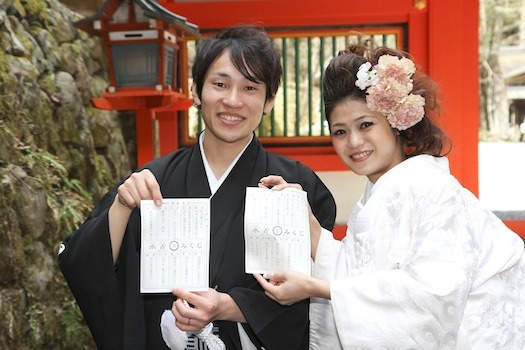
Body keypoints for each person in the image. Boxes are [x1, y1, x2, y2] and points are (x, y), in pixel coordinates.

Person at [58, 25, 336, 350]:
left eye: (249, 88)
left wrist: (230, 307)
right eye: (220, 84)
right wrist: (122, 206)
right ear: (195, 90)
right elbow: (84, 264)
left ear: (269, 100)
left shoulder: (297, 187)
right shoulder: (152, 181)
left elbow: (319, 290)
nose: (232, 101)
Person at [255, 43, 525, 349]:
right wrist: (311, 228)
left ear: (396, 123)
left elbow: (435, 293)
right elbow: (361, 273)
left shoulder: (432, 188)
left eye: (366, 125)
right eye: (340, 132)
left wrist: (320, 288)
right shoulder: (378, 193)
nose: (354, 142)